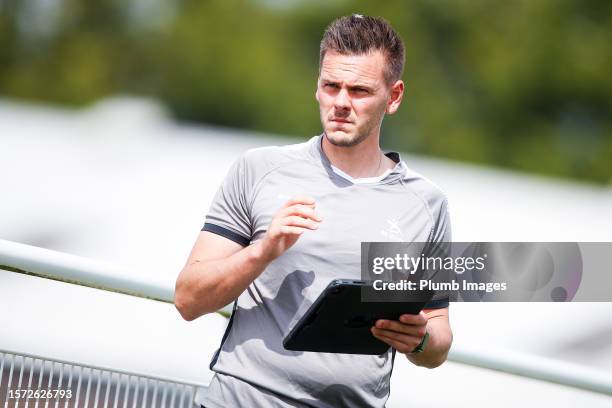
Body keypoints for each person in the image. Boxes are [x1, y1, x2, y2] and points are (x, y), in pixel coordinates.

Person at [175, 14, 453, 408]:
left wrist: (420, 339)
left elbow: (439, 339)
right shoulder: (258, 169)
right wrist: (263, 250)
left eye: (359, 90)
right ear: (317, 87)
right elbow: (188, 299)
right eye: (331, 86)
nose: (341, 102)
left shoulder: (427, 204)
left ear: (393, 97)